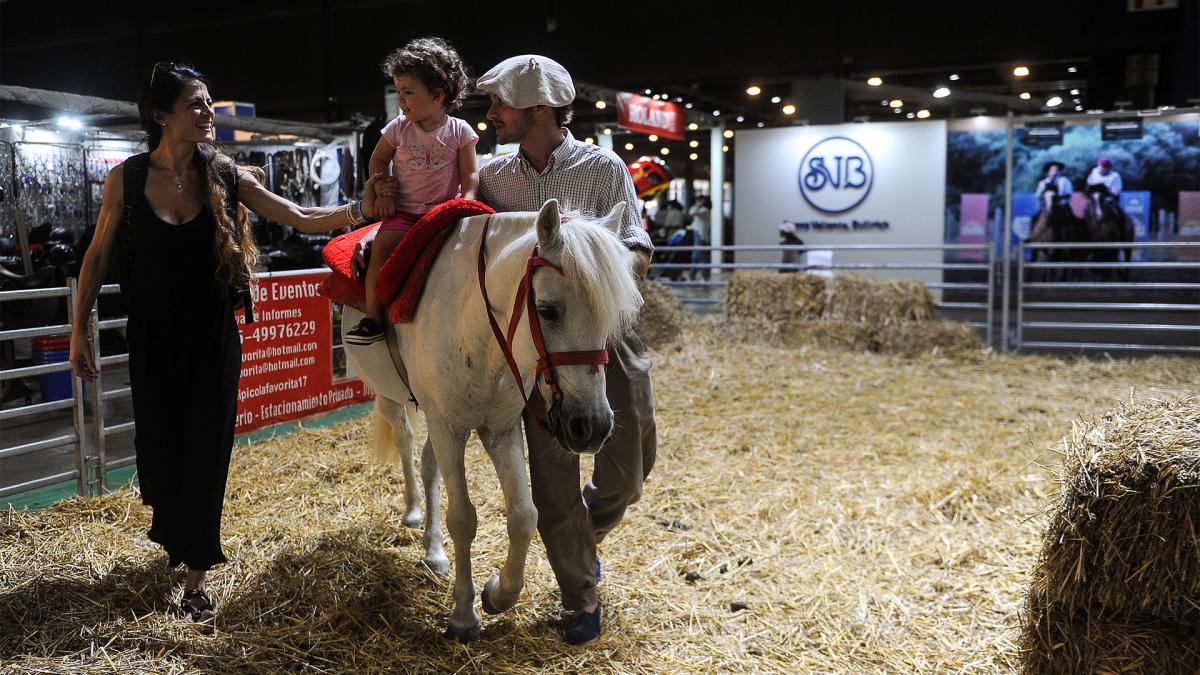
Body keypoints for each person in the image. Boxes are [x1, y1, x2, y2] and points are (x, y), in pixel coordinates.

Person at [69, 62, 393, 623]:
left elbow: (301, 217)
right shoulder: (125, 178)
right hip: (151, 336)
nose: (207, 112)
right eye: (195, 103)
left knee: (205, 448)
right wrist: (79, 327)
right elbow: (97, 256)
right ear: (161, 114)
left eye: (209, 102)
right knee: (163, 450)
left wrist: (362, 210)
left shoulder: (223, 175)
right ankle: (176, 529)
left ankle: (196, 574)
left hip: (213, 333)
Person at [476, 54, 656, 644]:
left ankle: (576, 529)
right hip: (539, 344)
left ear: (535, 109)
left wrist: (590, 270)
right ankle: (580, 595)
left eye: (500, 103)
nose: (492, 114)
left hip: (606, 331)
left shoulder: (603, 167)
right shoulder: (493, 177)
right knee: (553, 483)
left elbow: (637, 247)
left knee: (630, 471)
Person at [344, 37, 478, 346]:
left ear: (437, 95)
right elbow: (378, 159)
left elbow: (469, 172)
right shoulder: (398, 128)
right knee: (380, 253)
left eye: (408, 93)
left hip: (442, 212)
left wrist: (468, 201)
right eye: (399, 92)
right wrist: (381, 184)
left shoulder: (460, 131)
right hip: (403, 211)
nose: (402, 101)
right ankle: (373, 318)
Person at [687, 196, 712, 281]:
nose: (697, 202)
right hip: (699, 235)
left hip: (701, 236)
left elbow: (692, 212)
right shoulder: (702, 210)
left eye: (699, 200)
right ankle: (693, 275)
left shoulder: (704, 210)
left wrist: (697, 205)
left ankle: (704, 277)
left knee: (699, 257)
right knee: (698, 257)